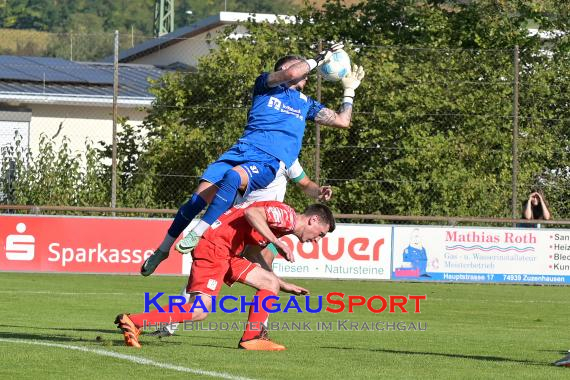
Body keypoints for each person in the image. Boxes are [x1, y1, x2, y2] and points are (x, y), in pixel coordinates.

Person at [140, 42, 365, 276]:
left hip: (268, 160)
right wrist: (318, 59)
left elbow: (342, 121)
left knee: (233, 180)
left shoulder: (305, 104)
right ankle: (163, 250)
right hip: (241, 150)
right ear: (287, 67)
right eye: (303, 72)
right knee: (195, 201)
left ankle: (200, 231)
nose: (306, 77)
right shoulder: (266, 85)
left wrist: (349, 90)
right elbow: (290, 74)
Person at [116, 201, 335, 350]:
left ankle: (251, 338)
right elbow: (251, 213)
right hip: (214, 248)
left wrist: (282, 283)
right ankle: (134, 321)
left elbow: (251, 252)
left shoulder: (280, 226)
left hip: (227, 253)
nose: (316, 240)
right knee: (198, 311)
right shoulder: (287, 217)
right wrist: (278, 244)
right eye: (321, 234)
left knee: (269, 283)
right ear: (313, 220)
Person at [151, 158, 332, 337]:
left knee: (265, 274)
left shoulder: (288, 158)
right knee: (209, 270)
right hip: (243, 218)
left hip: (269, 222)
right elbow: (234, 177)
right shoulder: (253, 151)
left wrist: (318, 191)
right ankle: (168, 324)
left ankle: (258, 330)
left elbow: (305, 183)